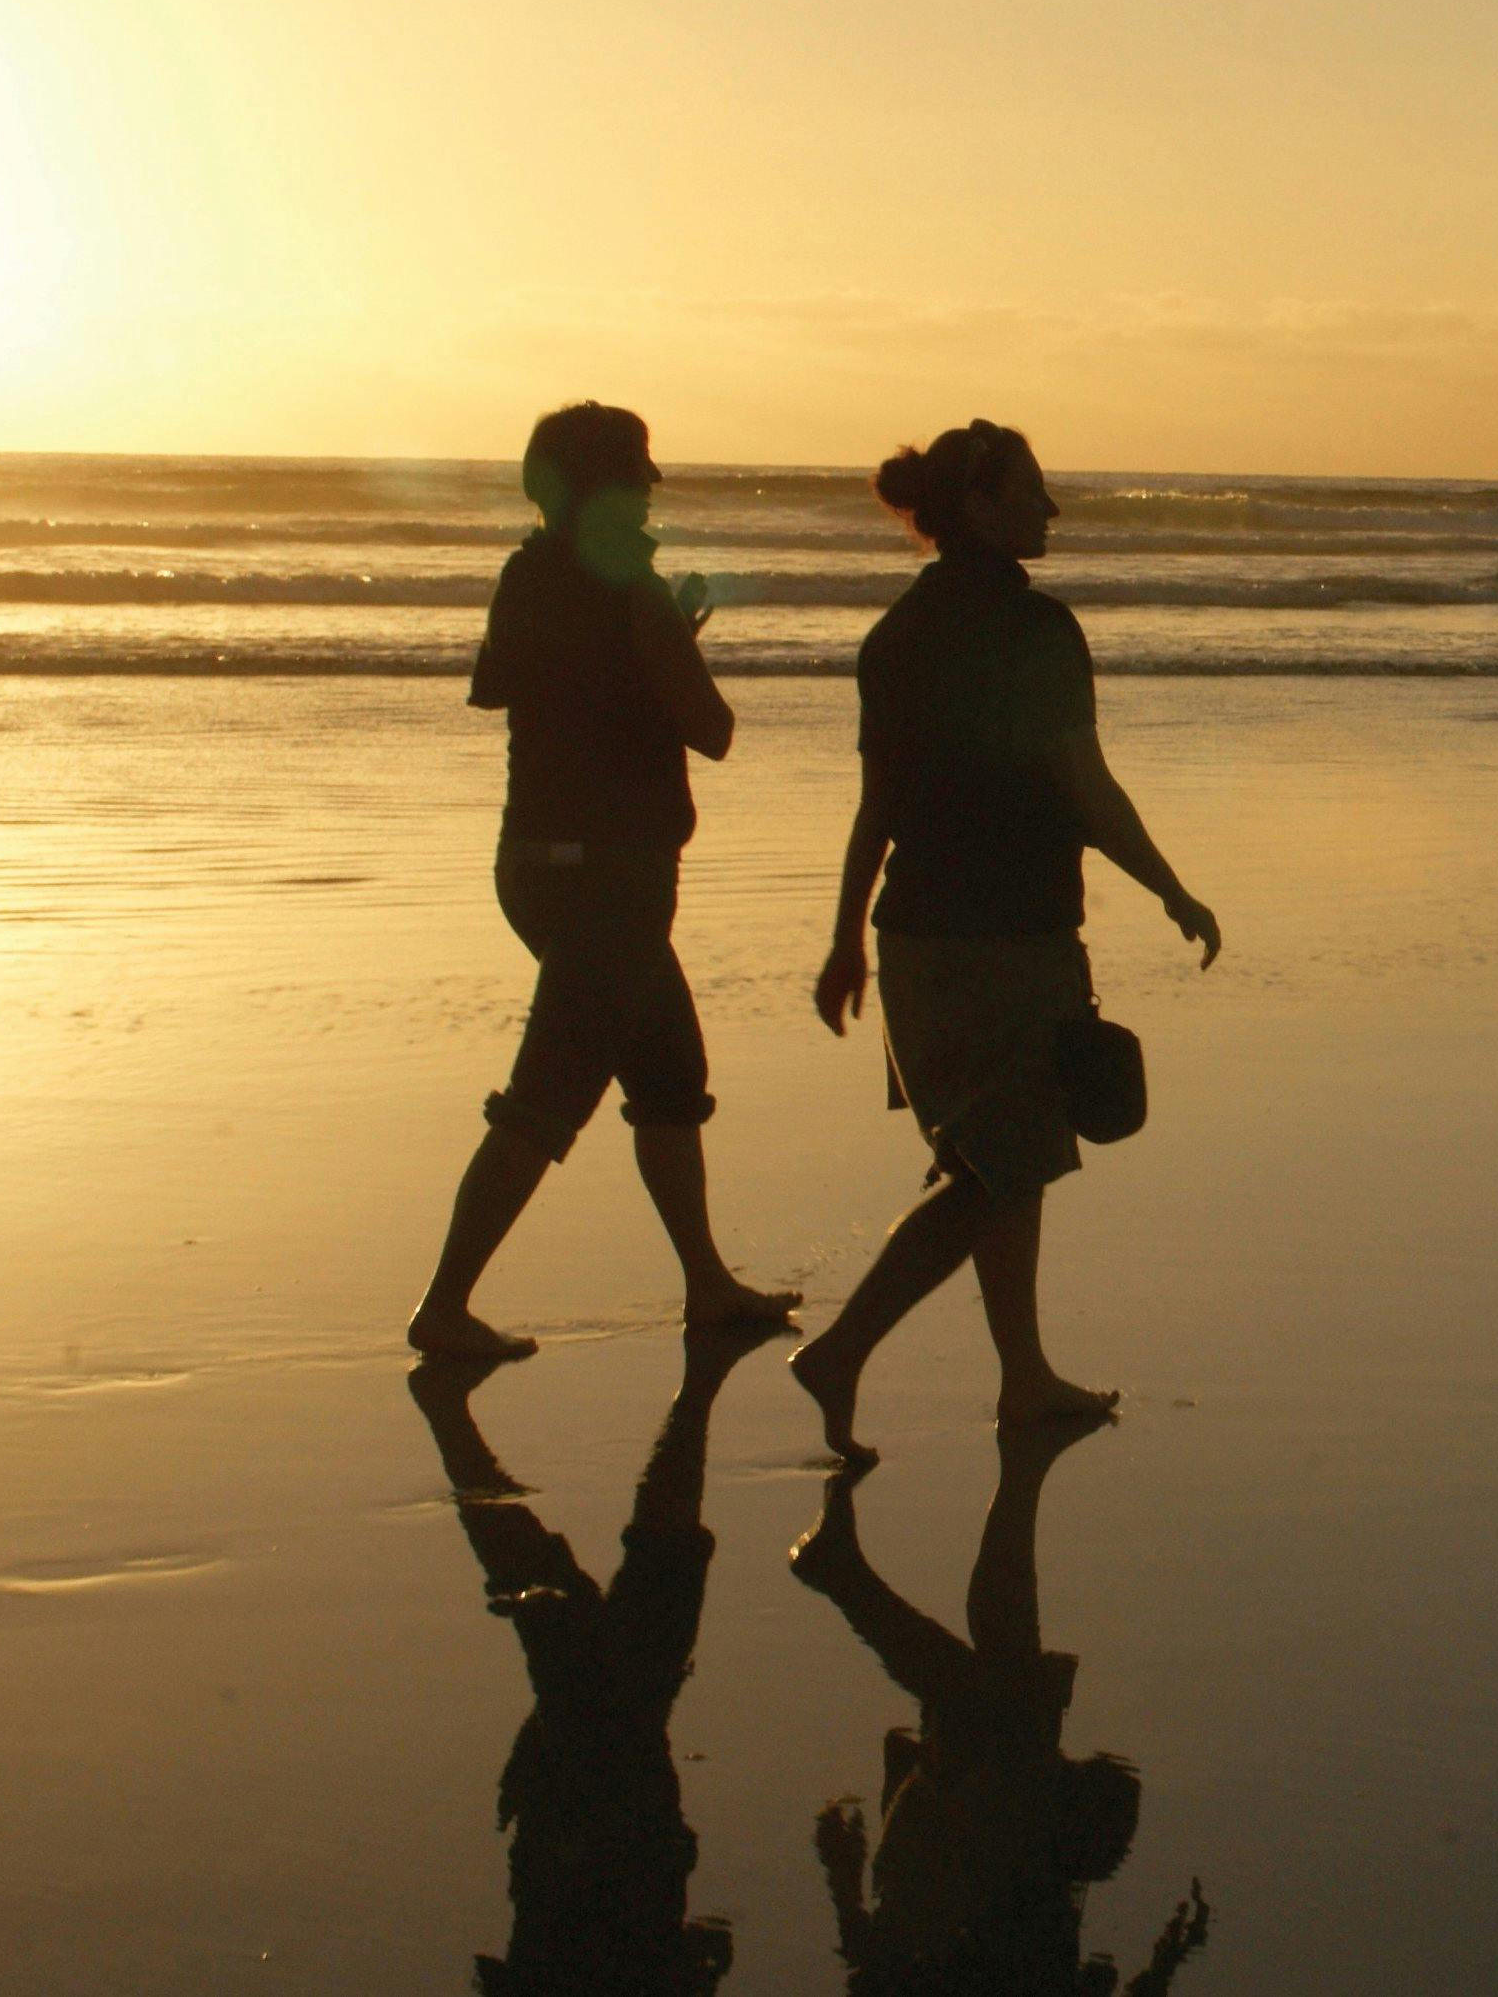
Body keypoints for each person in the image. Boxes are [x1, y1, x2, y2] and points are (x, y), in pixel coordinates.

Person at [791, 420, 1219, 1461]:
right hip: (1011, 940)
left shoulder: (895, 635)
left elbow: (877, 807)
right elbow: (1085, 787)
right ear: (979, 506)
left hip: (916, 944)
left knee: (999, 1160)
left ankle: (1023, 1376)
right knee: (998, 1171)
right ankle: (840, 1352)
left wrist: (845, 941)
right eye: (1031, 488)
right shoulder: (1037, 629)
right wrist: (1172, 888)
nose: (1051, 507)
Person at [409, 401, 800, 1361]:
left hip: (532, 860)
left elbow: (501, 688)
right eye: (639, 471)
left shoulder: (525, 574)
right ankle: (443, 1307)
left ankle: (707, 1284)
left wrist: (642, 654)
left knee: (669, 1079)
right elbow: (712, 729)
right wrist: (670, 640)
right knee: (546, 1099)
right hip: (612, 876)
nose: (652, 487)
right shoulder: (634, 590)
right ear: (611, 486)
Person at [790, 1421, 1213, 1994]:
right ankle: (1016, 1479)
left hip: (941, 1859)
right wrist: (1163, 1967)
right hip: (966, 1841)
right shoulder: (1039, 1920)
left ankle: (860, 1565)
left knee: (1000, 1705)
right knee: (1009, 1690)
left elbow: (877, 1967)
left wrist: (843, 1879)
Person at [408, 1333, 763, 1995]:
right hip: (588, 1866)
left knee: (618, 1673)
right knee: (615, 1668)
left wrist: (700, 1961)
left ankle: (700, 1382)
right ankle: (455, 1427)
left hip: (616, 1861)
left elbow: (703, 1950)